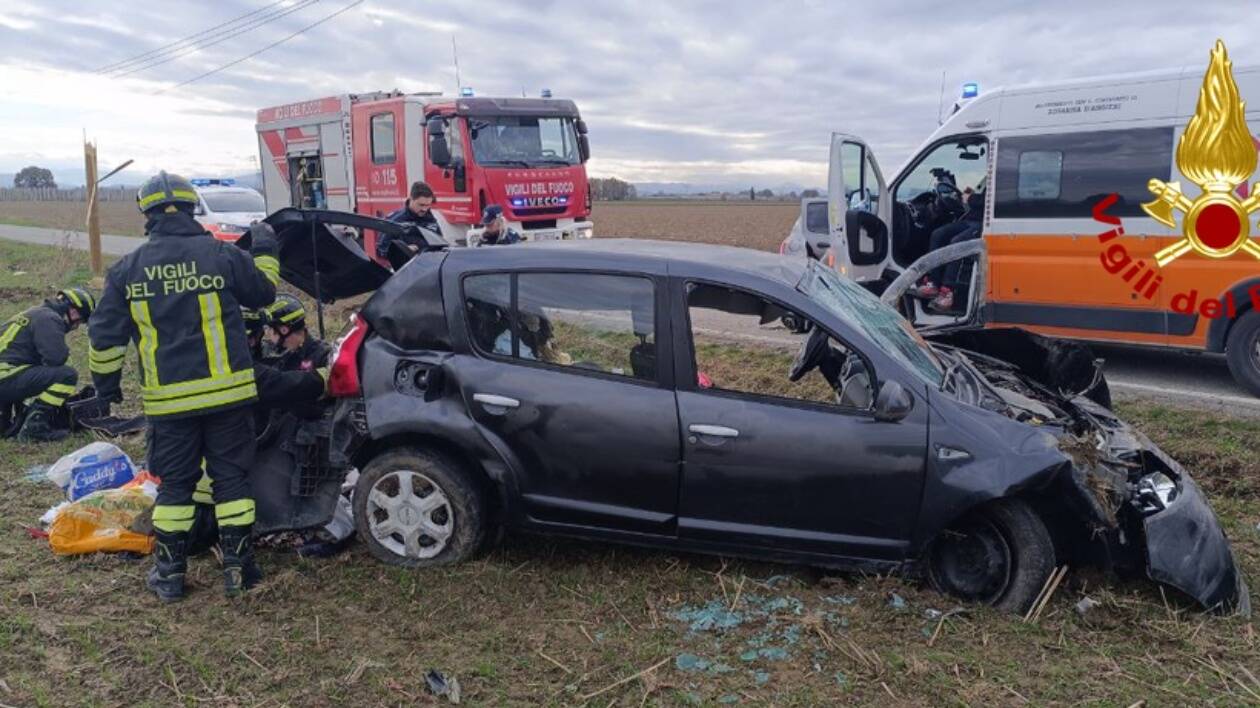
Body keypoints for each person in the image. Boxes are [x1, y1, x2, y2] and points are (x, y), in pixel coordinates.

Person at [89, 171, 280, 602]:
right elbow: (264, 294)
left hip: (169, 405)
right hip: (229, 397)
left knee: (176, 488)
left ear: (147, 213)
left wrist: (107, 386)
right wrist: (266, 248)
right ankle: (239, 570)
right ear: (192, 208)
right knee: (232, 482)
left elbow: (104, 338)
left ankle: (170, 576)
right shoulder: (219, 255)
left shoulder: (127, 270)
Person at [0, 287, 94, 441]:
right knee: (66, 375)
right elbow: (56, 358)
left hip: (6, 375)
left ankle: (10, 422)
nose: (77, 326)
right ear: (74, 311)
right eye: (81, 320)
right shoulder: (49, 318)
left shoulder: (33, 313)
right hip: (4, 378)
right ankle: (34, 429)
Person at [265, 294, 331, 372]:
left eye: (269, 329)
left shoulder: (323, 356)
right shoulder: (286, 356)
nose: (267, 334)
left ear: (284, 330)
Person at [378, 181, 442, 258]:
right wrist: (403, 250)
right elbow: (382, 249)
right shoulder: (396, 220)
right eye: (421, 205)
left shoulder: (431, 220)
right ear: (411, 199)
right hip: (407, 267)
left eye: (428, 205)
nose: (424, 209)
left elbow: (441, 245)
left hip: (431, 266)